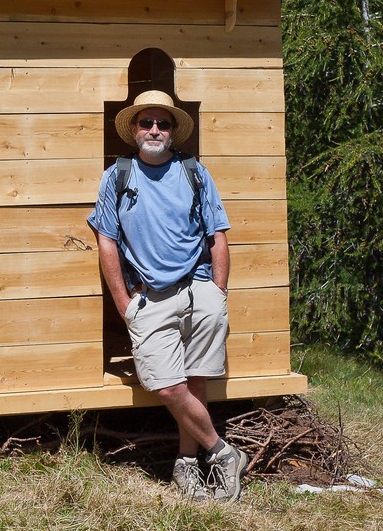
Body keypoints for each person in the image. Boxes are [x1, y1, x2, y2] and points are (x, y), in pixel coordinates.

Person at [89, 90, 251, 502]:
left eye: (163, 123)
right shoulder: (117, 177)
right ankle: (224, 452)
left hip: (200, 291)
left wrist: (218, 291)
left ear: (174, 131)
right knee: (165, 385)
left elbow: (218, 235)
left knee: (193, 380)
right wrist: (125, 305)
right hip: (149, 298)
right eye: (147, 123)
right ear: (134, 130)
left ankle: (187, 466)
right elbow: (107, 242)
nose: (155, 130)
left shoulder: (195, 172)